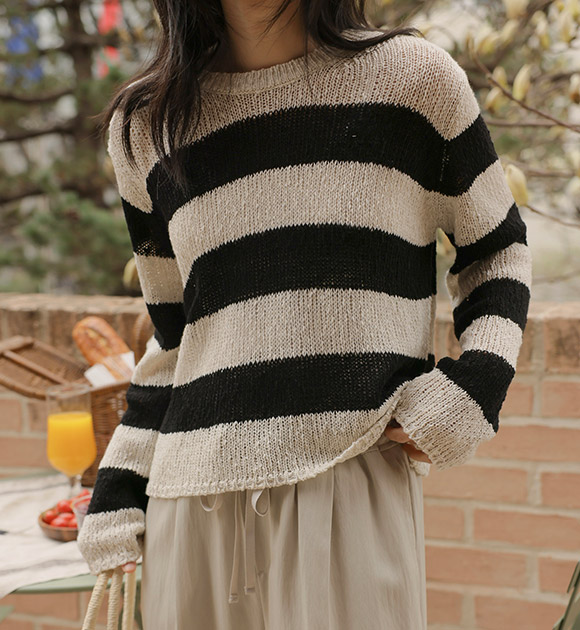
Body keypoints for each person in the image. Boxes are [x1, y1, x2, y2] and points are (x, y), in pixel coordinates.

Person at [77, 0, 532, 628]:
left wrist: (473, 387)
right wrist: (118, 488)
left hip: (347, 482)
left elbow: (497, 252)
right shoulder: (145, 125)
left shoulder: (412, 79)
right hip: (186, 507)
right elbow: (177, 338)